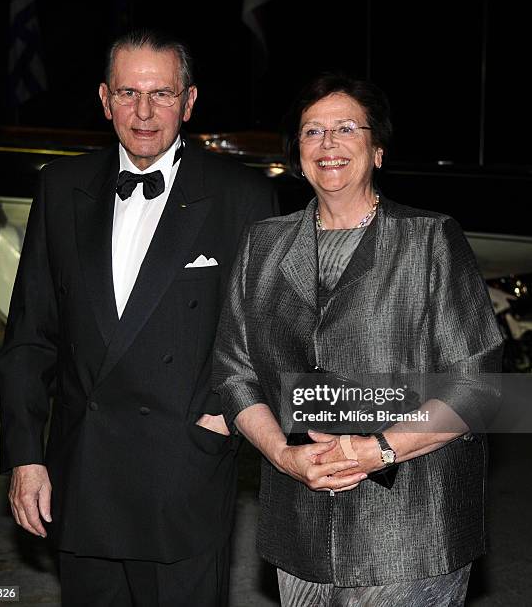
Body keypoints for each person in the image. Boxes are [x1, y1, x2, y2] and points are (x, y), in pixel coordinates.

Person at [0, 28, 276, 607]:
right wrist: (26, 456)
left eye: (162, 94)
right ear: (104, 99)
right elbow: (30, 338)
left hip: (182, 477)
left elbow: (265, 329)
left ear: (190, 101)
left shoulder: (240, 195)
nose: (144, 112)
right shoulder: (60, 188)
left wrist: (224, 419)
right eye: (127, 93)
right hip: (83, 475)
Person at [213, 71, 503, 606]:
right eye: (311, 131)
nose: (327, 144)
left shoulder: (430, 239)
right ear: (297, 152)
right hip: (301, 519)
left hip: (410, 530)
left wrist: (379, 449)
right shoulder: (263, 246)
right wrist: (282, 456)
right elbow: (235, 373)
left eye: (346, 128)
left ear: (377, 150)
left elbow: (481, 388)